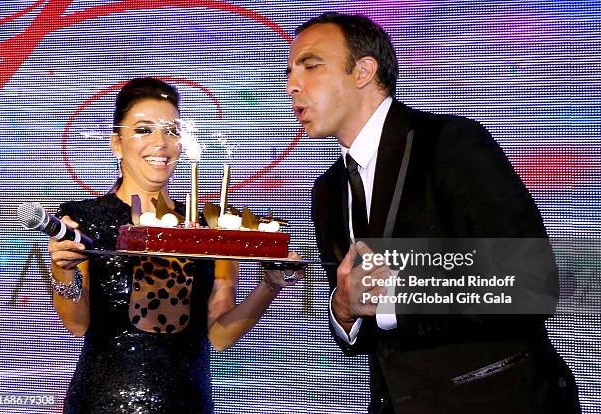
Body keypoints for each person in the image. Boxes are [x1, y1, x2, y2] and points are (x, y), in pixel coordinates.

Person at [286, 12, 580, 414]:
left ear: (364, 71)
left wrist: (394, 296)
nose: (291, 86)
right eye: (289, 72)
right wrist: (342, 308)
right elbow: (362, 320)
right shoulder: (328, 189)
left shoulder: (449, 144)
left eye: (311, 66)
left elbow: (530, 282)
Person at [48, 77, 303, 413]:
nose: (160, 142)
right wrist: (62, 271)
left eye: (170, 130)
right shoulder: (81, 219)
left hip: (187, 402)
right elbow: (77, 323)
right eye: (143, 130)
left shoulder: (211, 228)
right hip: (101, 401)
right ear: (116, 143)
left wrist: (269, 286)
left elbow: (220, 335)